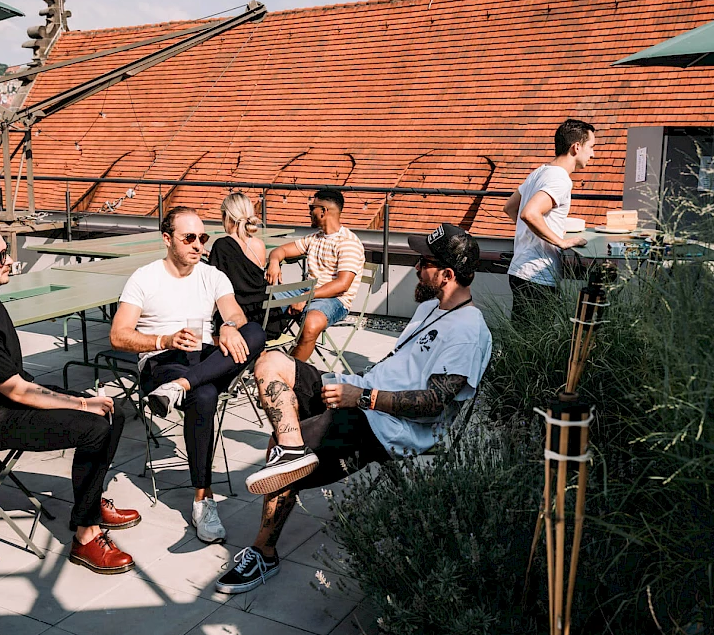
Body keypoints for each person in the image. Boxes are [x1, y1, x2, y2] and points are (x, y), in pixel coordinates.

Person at [219, 223, 492, 594]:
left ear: (447, 274)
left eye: (423, 262)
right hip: (362, 392)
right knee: (270, 363)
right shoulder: (431, 306)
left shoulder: (468, 330)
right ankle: (291, 451)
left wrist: (362, 398)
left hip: (387, 424)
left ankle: (264, 550)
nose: (414, 268)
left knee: (280, 454)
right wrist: (358, 389)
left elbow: (435, 401)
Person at [0, 218, 140, 575]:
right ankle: (86, 535)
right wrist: (79, 402)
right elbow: (17, 390)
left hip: (5, 400)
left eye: (6, 252)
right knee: (94, 426)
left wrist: (86, 402)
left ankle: (89, 503)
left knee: (114, 412)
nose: (9, 260)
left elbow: (14, 383)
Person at [110, 206, 267, 545]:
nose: (198, 245)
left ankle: (180, 387)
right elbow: (118, 335)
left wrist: (228, 326)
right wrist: (162, 340)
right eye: (189, 238)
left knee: (254, 332)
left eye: (203, 237)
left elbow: (236, 313)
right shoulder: (145, 277)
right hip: (162, 360)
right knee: (206, 395)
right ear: (167, 239)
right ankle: (203, 498)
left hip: (203, 358)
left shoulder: (211, 275)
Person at [503, 119, 594, 323]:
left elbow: (510, 208)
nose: (593, 154)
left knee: (522, 339)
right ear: (576, 147)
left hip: (520, 270)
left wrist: (530, 234)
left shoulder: (539, 172)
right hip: (537, 275)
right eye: (591, 147)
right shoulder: (560, 179)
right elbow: (529, 214)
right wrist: (561, 242)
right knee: (533, 344)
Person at [265, 189, 365, 361]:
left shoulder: (348, 243)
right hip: (307, 291)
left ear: (323, 211)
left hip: (335, 299)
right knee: (260, 301)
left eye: (311, 208)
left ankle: (289, 372)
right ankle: (257, 356)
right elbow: (280, 250)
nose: (309, 213)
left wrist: (305, 297)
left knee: (311, 325)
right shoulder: (315, 238)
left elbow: (342, 284)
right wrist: (274, 262)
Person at [207, 192, 284, 338]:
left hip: (239, 320)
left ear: (226, 216)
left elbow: (216, 280)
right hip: (267, 317)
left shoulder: (221, 245)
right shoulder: (259, 244)